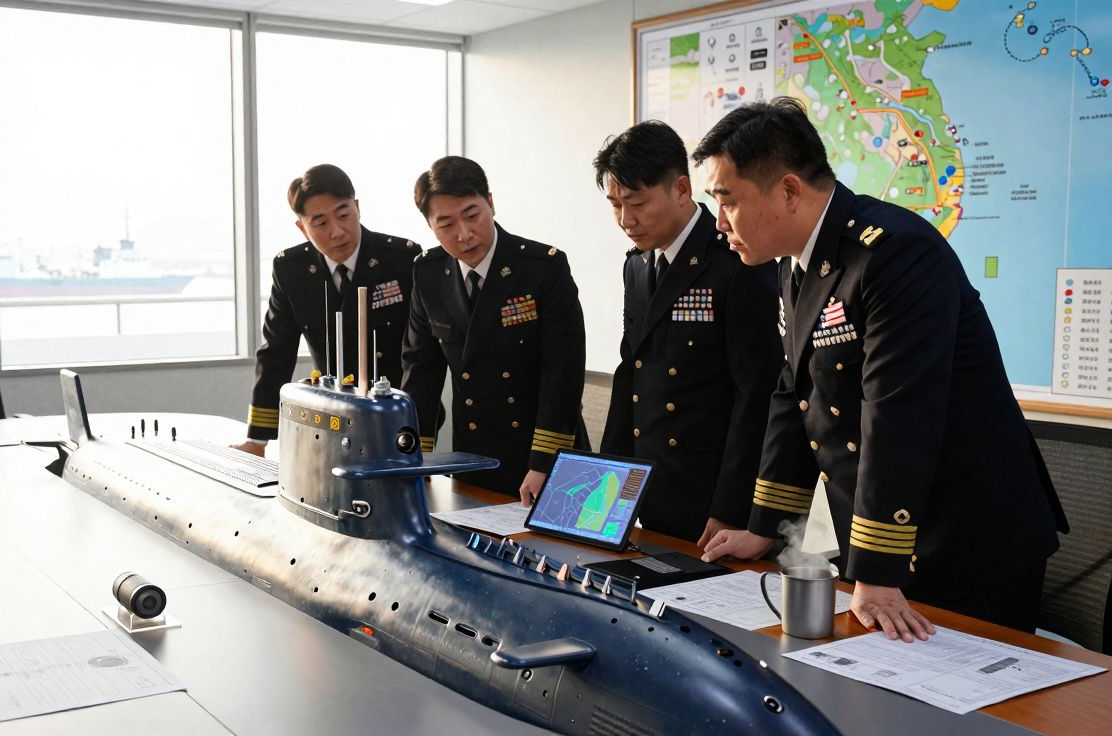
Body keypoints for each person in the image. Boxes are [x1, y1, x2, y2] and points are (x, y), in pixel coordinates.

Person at [697, 98, 1067, 640]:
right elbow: (792, 394)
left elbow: (899, 412)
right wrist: (765, 529)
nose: (719, 223)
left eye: (727, 201)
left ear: (790, 190)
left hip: (965, 536)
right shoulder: (794, 263)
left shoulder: (895, 252)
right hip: (891, 542)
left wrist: (874, 566)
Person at [593, 121, 781, 544]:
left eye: (637, 203)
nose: (626, 220)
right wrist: (605, 486)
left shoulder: (735, 262)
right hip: (655, 489)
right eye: (614, 204)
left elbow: (759, 394)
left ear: (681, 189)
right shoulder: (638, 266)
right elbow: (631, 375)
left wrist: (735, 508)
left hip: (719, 496)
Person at [401, 156, 588, 502]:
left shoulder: (541, 267)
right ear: (430, 226)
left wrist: (545, 463)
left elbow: (563, 372)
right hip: (476, 456)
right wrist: (414, 460)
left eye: (472, 215)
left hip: (547, 453)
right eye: (445, 224)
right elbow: (421, 372)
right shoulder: (428, 273)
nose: (464, 234)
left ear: (491, 203)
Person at [235, 164, 421, 455]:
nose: (337, 232)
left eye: (344, 215)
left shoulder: (401, 259)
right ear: (302, 228)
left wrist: (420, 440)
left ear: (357, 208)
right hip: (332, 421)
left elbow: (423, 358)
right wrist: (257, 439)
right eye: (320, 223)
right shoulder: (292, 270)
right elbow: (276, 352)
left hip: (396, 418)